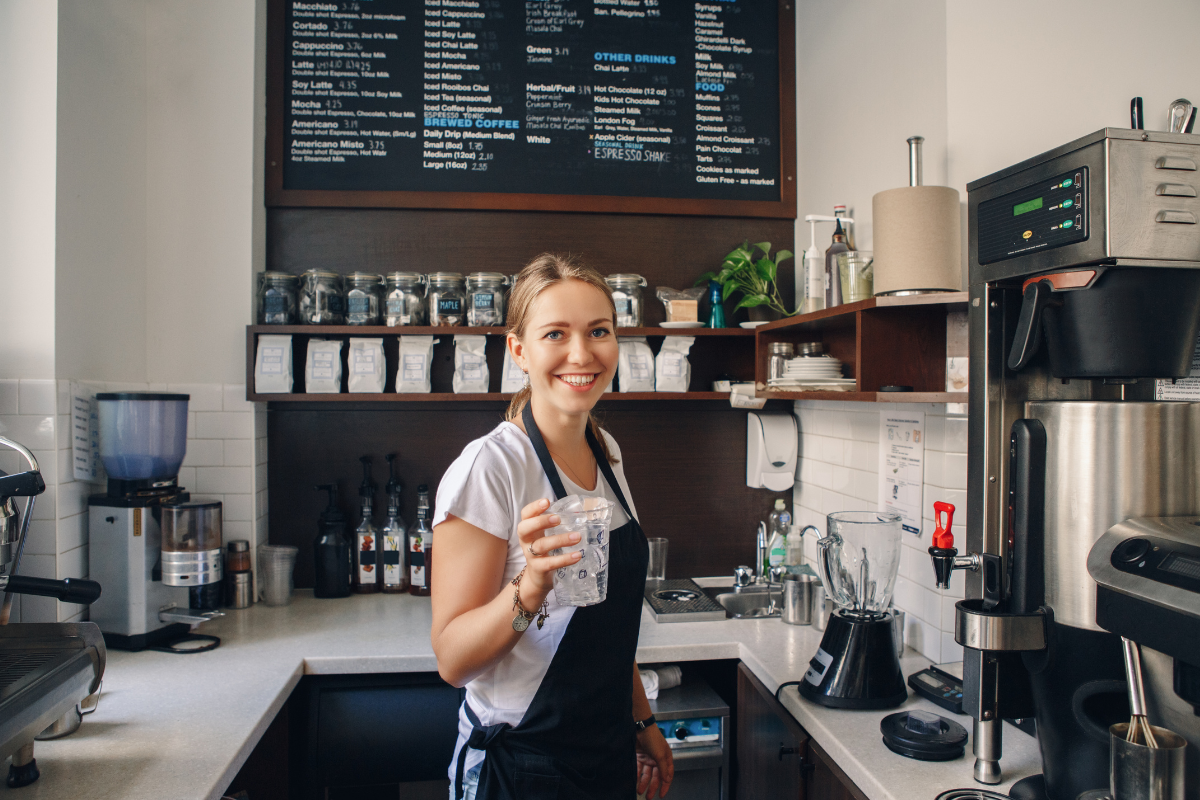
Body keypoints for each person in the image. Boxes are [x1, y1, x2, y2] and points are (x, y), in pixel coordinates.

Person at [431, 253, 674, 800]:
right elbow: (452, 659)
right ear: (519, 349)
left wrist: (643, 723)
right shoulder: (490, 467)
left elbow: (603, 627)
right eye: (555, 334)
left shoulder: (605, 452)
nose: (581, 354)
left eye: (599, 331)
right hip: (520, 765)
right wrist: (531, 587)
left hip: (605, 753)